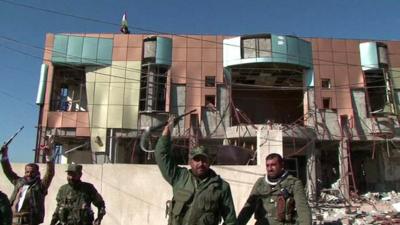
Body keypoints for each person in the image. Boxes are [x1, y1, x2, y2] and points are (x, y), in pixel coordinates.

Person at [155, 118, 237, 225]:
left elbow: (231, 221)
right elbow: (161, 156)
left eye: (204, 160)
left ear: (209, 162)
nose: (200, 164)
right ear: (190, 162)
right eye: (197, 159)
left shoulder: (221, 187)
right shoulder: (179, 177)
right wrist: (167, 132)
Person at [237, 153, 311, 225]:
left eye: (273, 165)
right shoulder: (260, 183)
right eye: (267, 165)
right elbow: (248, 209)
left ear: (282, 165)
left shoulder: (294, 183)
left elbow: (303, 211)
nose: (270, 169)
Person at [0, 143, 54, 225]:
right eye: (27, 172)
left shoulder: (41, 185)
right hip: (13, 220)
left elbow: (50, 173)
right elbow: (7, 171)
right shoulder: (19, 182)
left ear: (37, 173)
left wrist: (48, 156)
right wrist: (4, 155)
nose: (29, 174)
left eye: (32, 172)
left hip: (30, 221)